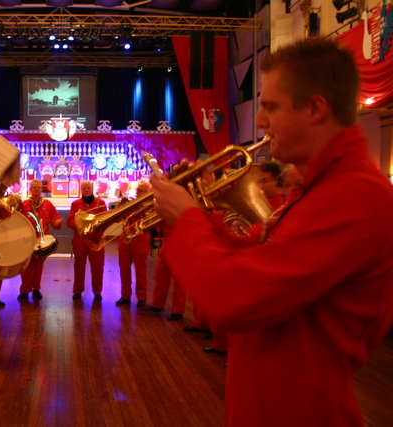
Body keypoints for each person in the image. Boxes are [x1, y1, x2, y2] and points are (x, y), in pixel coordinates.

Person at [151, 38, 393, 425]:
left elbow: (236, 299)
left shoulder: (357, 195)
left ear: (316, 109)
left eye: (270, 107)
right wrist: (203, 213)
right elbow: (255, 267)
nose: (260, 121)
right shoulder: (321, 190)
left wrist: (188, 220)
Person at [18, 179, 62, 300]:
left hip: (42, 240)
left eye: (39, 187)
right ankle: (25, 290)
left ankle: (36, 289)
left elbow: (55, 221)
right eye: (34, 187)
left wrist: (57, 223)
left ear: (42, 189)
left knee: (38, 266)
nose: (37, 189)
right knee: (26, 266)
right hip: (27, 240)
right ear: (30, 189)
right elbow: (17, 222)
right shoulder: (23, 204)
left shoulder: (48, 204)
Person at [67, 180, 107, 300]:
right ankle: (77, 290)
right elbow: (69, 222)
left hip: (96, 238)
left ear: (92, 188)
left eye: (88, 188)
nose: (86, 190)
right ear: (81, 190)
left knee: (98, 265)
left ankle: (97, 291)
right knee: (79, 264)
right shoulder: (75, 204)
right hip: (80, 239)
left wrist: (94, 225)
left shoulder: (101, 203)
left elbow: (105, 220)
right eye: (84, 188)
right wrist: (81, 224)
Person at [115, 180, 151, 307]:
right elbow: (118, 219)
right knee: (124, 268)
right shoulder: (130, 203)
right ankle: (125, 296)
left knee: (140, 269)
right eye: (137, 190)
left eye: (140, 190)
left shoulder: (150, 205)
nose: (137, 192)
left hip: (140, 238)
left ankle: (142, 297)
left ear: (148, 192)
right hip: (125, 237)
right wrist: (120, 208)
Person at [148, 223, 186, 321]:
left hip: (180, 241)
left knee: (179, 279)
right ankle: (158, 304)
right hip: (167, 240)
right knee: (161, 273)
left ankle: (178, 311)